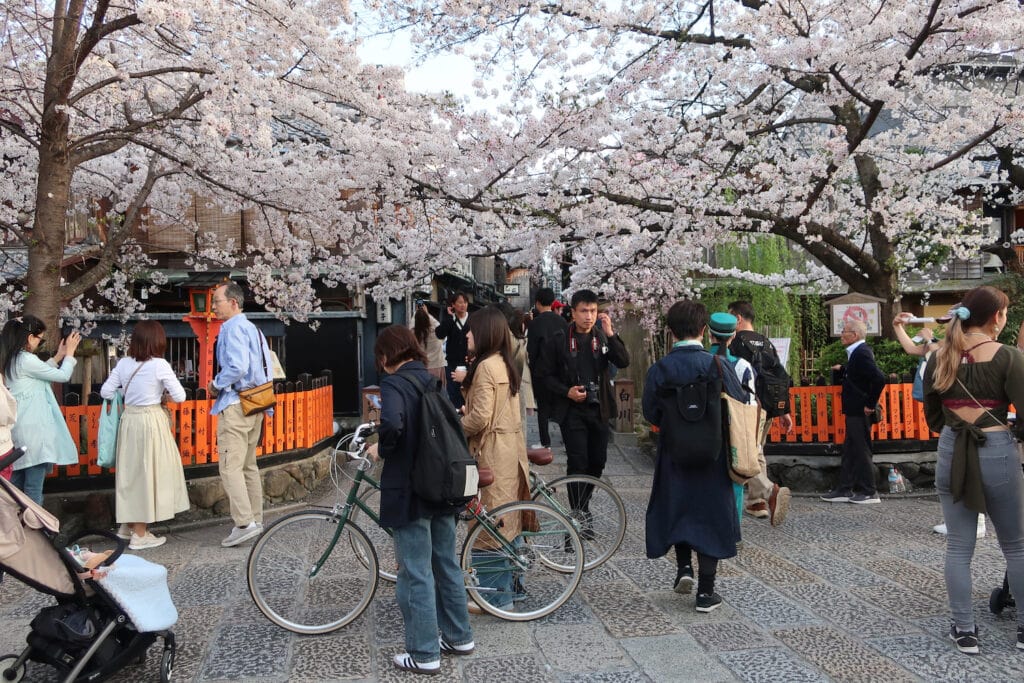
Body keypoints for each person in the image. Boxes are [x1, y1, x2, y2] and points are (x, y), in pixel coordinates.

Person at [922, 286, 1024, 655]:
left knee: (959, 546)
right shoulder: (1009, 357)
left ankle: (964, 630)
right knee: (1016, 546)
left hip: (953, 448)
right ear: (997, 316)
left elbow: (934, 417)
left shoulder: (939, 357)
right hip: (997, 448)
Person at [372, 325, 474, 673]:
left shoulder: (395, 383)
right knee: (445, 563)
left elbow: (393, 424)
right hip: (442, 486)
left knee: (415, 572)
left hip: (411, 489)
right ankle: (459, 636)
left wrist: (382, 448)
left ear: (385, 357)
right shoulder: (432, 380)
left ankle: (425, 653)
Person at [644, 300, 743, 612]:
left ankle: (684, 568)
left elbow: (650, 413)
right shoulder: (718, 365)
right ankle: (706, 592)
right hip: (712, 456)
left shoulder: (660, 369)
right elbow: (739, 404)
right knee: (709, 516)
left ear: (671, 332)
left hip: (673, 453)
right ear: (704, 330)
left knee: (680, 509)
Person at [458, 306, 530, 613]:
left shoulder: (486, 366)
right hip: (510, 448)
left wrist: (453, 424)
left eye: (472, 329)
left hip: (492, 452)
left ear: (485, 332)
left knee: (489, 522)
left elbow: (480, 418)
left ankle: (494, 598)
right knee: (508, 521)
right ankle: (513, 590)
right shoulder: (503, 361)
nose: (467, 334)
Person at [535, 289, 629, 521]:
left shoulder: (603, 337)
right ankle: (578, 516)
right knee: (578, 462)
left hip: (599, 408)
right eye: (584, 311)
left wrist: (611, 333)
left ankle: (582, 506)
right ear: (573, 312)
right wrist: (566, 391)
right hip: (572, 411)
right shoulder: (559, 340)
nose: (589, 316)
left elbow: (624, 361)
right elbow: (543, 375)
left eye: (593, 311)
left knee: (597, 462)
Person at [893, 310, 986, 539]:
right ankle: (962, 520)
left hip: (966, 418)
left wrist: (929, 340)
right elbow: (912, 349)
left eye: (946, 322)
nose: (943, 327)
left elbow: (940, 355)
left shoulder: (966, 345)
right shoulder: (942, 344)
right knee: (956, 471)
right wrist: (897, 327)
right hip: (952, 418)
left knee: (967, 469)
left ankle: (975, 521)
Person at [100, 321, 189, 550]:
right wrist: (158, 392)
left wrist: (128, 392)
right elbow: (180, 396)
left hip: (129, 421)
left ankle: (128, 526)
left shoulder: (123, 363)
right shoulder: (159, 365)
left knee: (131, 474)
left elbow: (106, 392)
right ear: (157, 341)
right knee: (149, 474)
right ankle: (140, 534)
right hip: (151, 422)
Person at [208, 281, 274, 548]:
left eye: (217, 301)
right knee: (248, 466)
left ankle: (244, 523)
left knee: (229, 466)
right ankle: (255, 519)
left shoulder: (232, 328)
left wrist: (216, 384)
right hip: (255, 402)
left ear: (233, 303)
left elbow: (237, 366)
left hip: (235, 403)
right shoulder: (253, 329)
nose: (213, 307)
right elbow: (265, 365)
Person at [0, 316, 81, 505]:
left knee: (15, 489)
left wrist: (59, 357)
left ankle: (17, 529)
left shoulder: (11, 359)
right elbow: (62, 375)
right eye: (40, 339)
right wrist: (69, 354)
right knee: (33, 491)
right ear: (29, 338)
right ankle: (35, 531)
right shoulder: (26, 359)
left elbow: (40, 373)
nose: (39, 343)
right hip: (35, 434)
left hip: (18, 434)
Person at [727, 301, 793, 526]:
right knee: (757, 450)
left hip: (748, 406)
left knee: (746, 453)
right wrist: (783, 410)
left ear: (737, 318)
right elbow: (780, 374)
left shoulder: (736, 342)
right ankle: (756, 503)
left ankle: (768, 491)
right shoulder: (766, 342)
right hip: (768, 406)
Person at [820, 319, 886, 504]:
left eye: (845, 332)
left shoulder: (861, 353)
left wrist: (870, 404)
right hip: (854, 409)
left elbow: (879, 378)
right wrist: (844, 369)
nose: (841, 335)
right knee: (850, 449)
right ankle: (844, 488)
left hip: (860, 410)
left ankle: (869, 491)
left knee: (861, 448)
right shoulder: (857, 353)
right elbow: (861, 374)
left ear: (855, 335)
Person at [708, 312, 762, 528]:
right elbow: (749, 405)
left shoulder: (702, 360)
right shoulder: (743, 366)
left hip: (705, 432)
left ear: (709, 334)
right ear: (732, 337)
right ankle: (732, 529)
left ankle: (709, 529)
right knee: (735, 479)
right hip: (735, 431)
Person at [526, 288, 568, 451]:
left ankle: (545, 442)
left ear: (537, 303)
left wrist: (533, 368)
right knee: (563, 405)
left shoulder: (535, 323)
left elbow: (532, 350)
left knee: (543, 408)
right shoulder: (562, 322)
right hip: (561, 371)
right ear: (552, 303)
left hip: (542, 372)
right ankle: (567, 440)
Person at [435, 291, 470, 409]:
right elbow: (439, 334)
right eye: (460, 302)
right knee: (453, 391)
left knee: (468, 390)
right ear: (453, 305)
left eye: (465, 302)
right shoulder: (450, 320)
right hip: (452, 363)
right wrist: (449, 317)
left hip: (468, 362)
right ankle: (457, 415)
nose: (463, 305)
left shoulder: (472, 319)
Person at [412, 302, 447, 386]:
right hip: (437, 366)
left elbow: (411, 324)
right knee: (438, 393)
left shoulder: (413, 333)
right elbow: (438, 325)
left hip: (420, 368)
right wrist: (426, 314)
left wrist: (416, 313)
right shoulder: (436, 332)